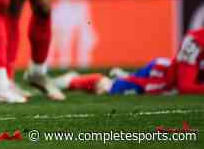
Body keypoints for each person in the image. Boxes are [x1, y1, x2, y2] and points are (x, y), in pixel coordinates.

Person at [53, 27, 204, 96]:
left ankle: (124, 76)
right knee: (107, 88)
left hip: (168, 77)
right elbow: (185, 86)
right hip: (159, 78)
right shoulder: (195, 41)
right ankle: (71, 80)